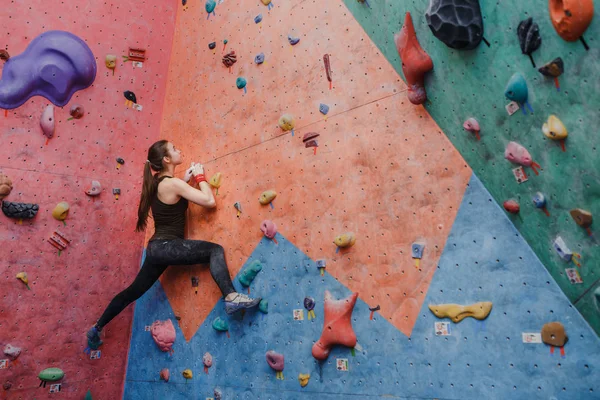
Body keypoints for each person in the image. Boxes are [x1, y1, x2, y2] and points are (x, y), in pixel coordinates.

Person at [86, 140, 260, 350]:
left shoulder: (161, 183)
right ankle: (231, 296)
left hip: (157, 249)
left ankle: (96, 327)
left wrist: (185, 179)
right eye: (175, 149)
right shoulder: (172, 184)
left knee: (132, 292)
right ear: (166, 159)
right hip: (166, 246)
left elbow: (173, 197)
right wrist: (200, 176)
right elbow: (208, 201)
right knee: (215, 250)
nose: (180, 150)